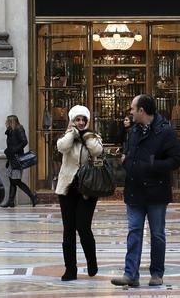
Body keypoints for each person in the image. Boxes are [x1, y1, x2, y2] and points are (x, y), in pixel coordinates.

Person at [111, 94, 180, 288]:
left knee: (157, 234)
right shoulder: (133, 131)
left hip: (156, 193)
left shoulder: (165, 131)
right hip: (135, 190)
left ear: (142, 111)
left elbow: (177, 159)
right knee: (133, 231)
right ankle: (130, 274)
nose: (131, 112)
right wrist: (126, 162)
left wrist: (154, 165)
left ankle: (157, 273)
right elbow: (132, 154)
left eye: (133, 109)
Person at [55, 105, 103, 281]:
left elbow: (97, 151)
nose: (81, 122)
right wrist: (72, 133)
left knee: (83, 227)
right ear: (72, 120)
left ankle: (92, 262)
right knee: (68, 230)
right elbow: (62, 147)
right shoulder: (67, 137)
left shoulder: (94, 136)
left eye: (83, 119)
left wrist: (86, 135)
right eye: (77, 119)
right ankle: (70, 269)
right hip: (67, 188)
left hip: (88, 189)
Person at [1, 115, 37, 207]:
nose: (6, 122)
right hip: (12, 159)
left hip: (17, 158)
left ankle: (32, 197)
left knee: (16, 181)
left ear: (11, 121)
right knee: (12, 180)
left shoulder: (19, 129)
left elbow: (24, 141)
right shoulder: (10, 131)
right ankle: (11, 201)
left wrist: (14, 150)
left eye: (7, 121)